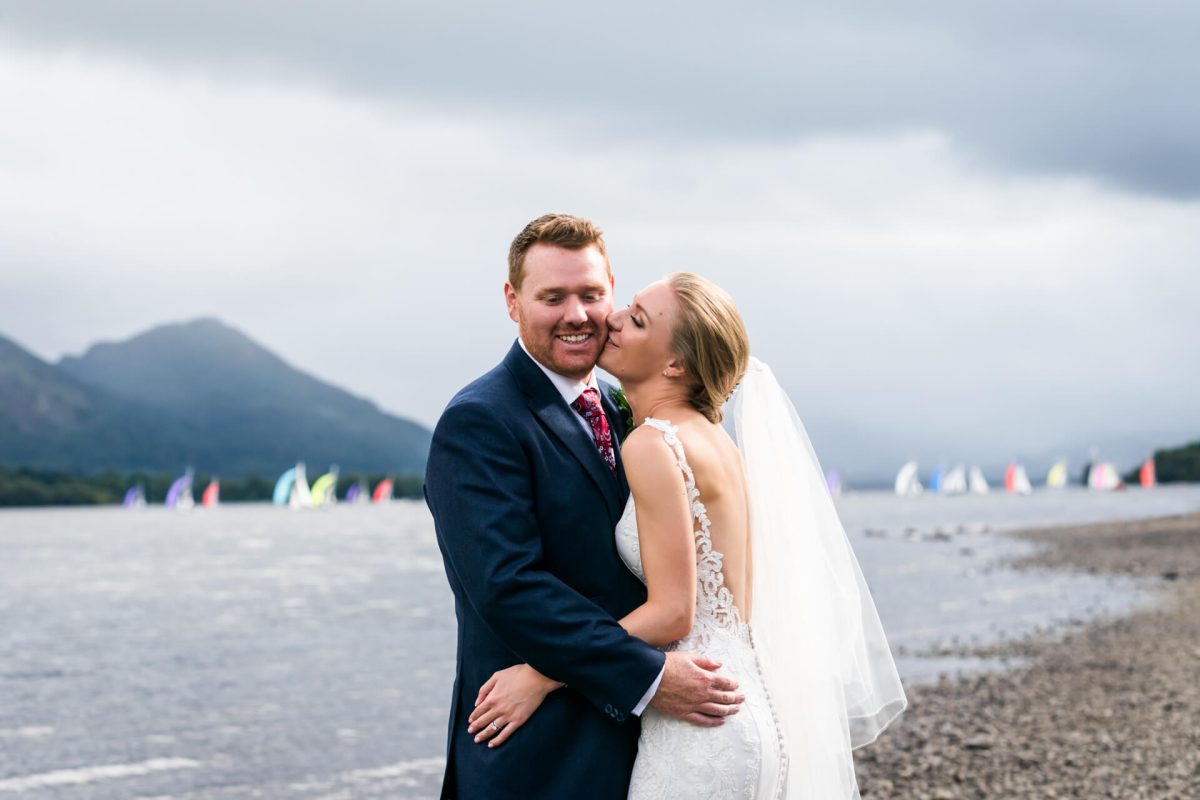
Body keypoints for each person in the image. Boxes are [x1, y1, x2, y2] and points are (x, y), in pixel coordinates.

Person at [470, 271, 908, 798]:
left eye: (634, 320)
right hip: (755, 707)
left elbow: (673, 612)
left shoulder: (653, 443)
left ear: (675, 364)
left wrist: (544, 674)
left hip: (699, 719)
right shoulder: (720, 442)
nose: (610, 320)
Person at [424, 216, 745, 800]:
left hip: (652, 739)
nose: (576, 314)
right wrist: (646, 677)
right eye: (552, 297)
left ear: (611, 292)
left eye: (591, 294)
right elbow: (509, 587)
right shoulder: (479, 421)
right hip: (540, 754)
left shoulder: (636, 410)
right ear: (512, 301)